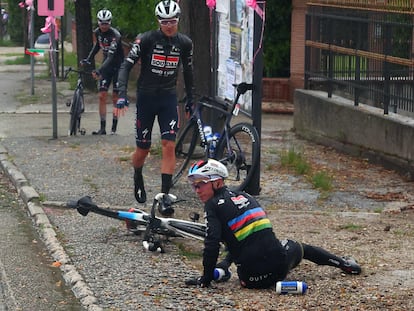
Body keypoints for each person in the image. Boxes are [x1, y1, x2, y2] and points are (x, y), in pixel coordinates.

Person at [184, 159, 362, 288]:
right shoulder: (246, 197)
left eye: (201, 184)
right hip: (279, 267)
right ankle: (345, 264)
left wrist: (205, 279)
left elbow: (211, 245)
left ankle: (221, 271)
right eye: (194, 186)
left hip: (249, 280)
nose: (197, 190)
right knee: (300, 247)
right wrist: (225, 262)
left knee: (240, 246)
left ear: (218, 182)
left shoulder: (213, 206)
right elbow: (252, 238)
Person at [116, 0, 194, 210]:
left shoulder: (184, 43)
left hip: (168, 98)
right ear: (159, 21)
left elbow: (188, 72)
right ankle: (138, 174)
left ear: (178, 20)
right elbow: (126, 65)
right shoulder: (146, 39)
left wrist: (190, 98)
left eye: (173, 21)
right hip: (146, 98)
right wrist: (122, 94)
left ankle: (164, 197)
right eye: (164, 21)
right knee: (143, 149)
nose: (169, 25)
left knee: (169, 145)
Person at [81, 9, 124, 135]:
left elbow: (111, 57)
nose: (104, 26)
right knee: (102, 96)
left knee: (115, 97)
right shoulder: (97, 32)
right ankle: (103, 128)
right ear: (98, 22)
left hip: (117, 66)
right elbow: (97, 46)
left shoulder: (115, 35)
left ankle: (114, 128)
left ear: (110, 23)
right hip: (107, 67)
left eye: (106, 23)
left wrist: (99, 70)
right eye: (102, 23)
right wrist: (88, 59)